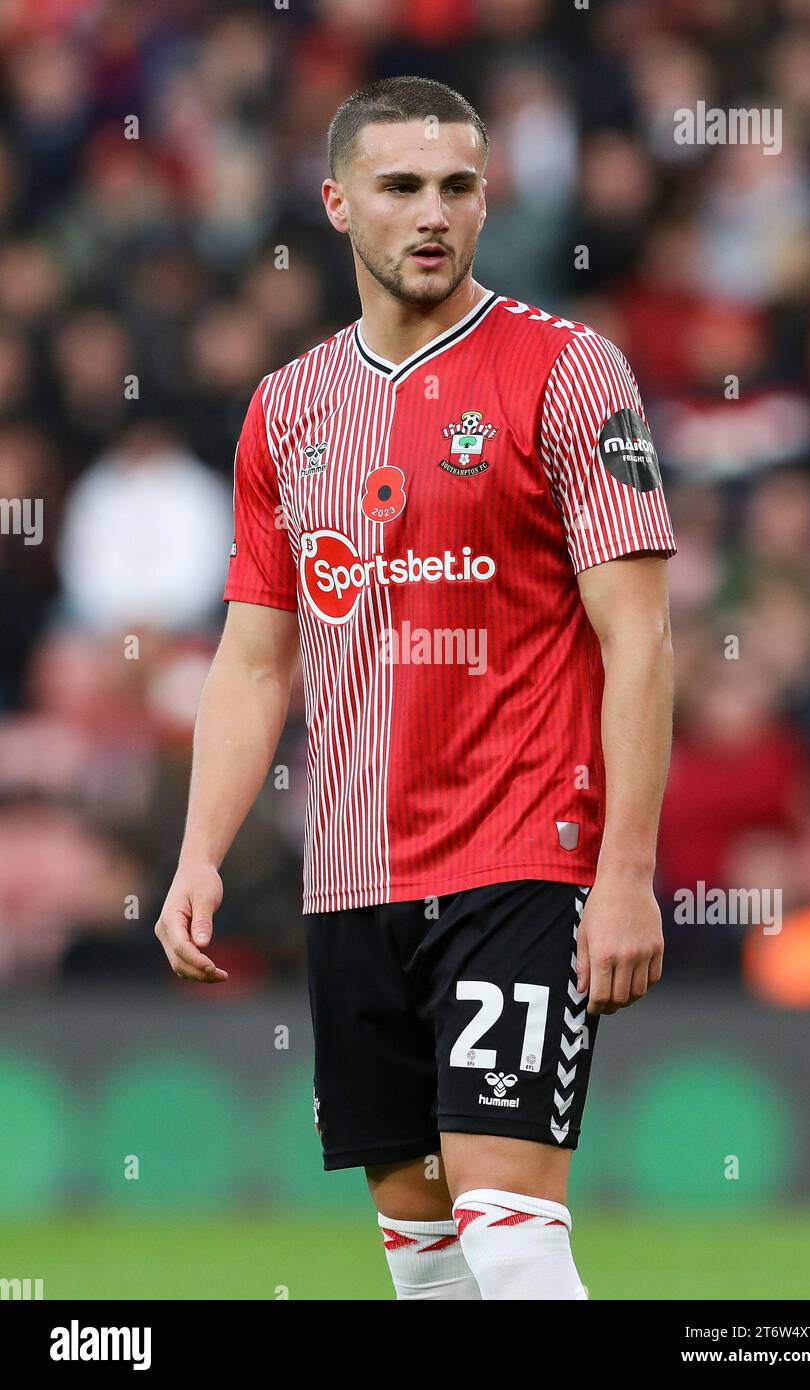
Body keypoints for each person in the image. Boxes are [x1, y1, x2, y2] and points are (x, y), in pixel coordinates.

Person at [155, 75, 677, 1301]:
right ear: (338, 204)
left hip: (522, 857)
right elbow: (255, 653)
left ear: (487, 202)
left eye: (456, 187)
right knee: (427, 1259)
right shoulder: (287, 410)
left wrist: (626, 875)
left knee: (506, 1228)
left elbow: (642, 637)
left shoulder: (568, 372)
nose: (430, 213)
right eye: (399, 188)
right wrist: (198, 852)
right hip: (352, 874)